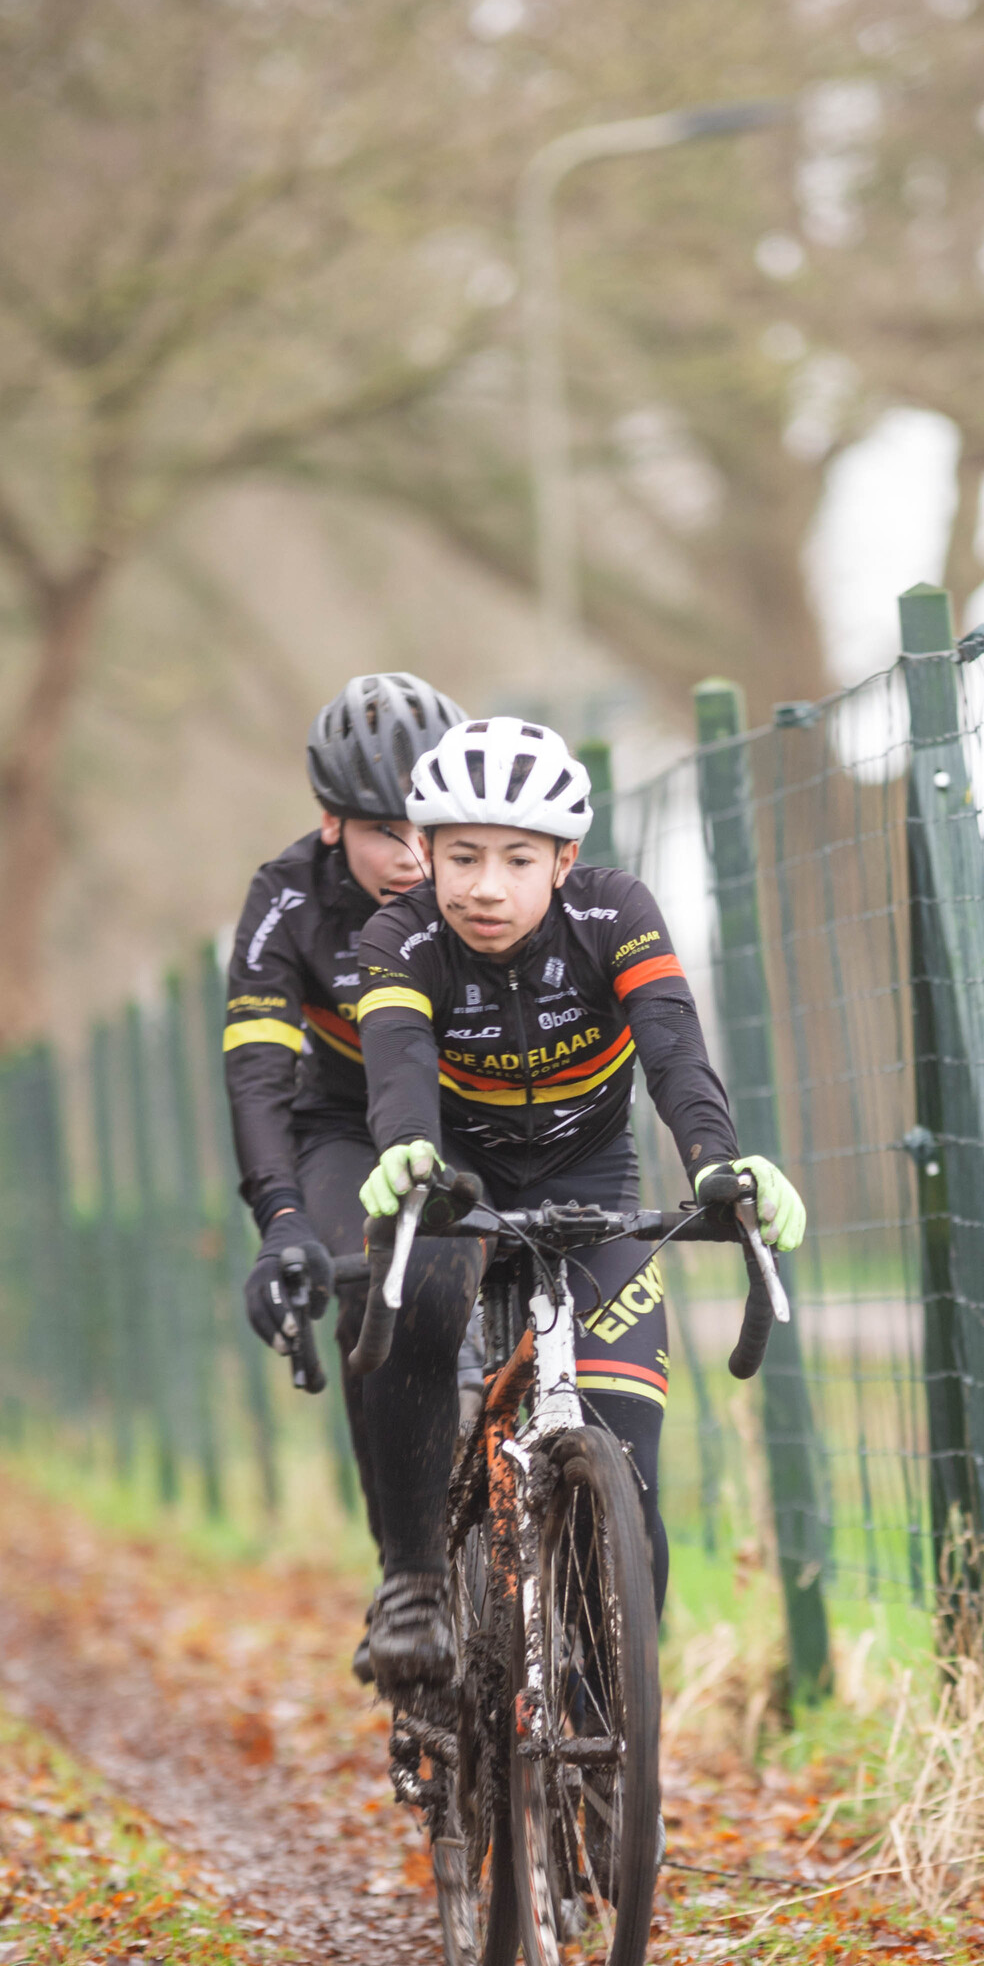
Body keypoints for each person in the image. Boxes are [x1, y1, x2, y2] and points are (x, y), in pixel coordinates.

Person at [351, 711, 805, 1699]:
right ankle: (418, 1580)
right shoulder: (397, 937)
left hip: (588, 1181)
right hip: (455, 1179)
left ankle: (607, 1747)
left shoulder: (615, 913)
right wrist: (406, 1159)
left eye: (515, 859)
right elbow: (397, 1070)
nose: (483, 885)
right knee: (416, 1309)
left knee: (629, 1482)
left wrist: (718, 1167)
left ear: (563, 862)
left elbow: (675, 1052)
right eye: (460, 855)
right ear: (422, 853)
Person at [223, 671, 476, 1681]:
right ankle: (410, 1577)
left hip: (485, 1117)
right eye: (384, 833)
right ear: (331, 823)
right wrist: (282, 1221)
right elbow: (257, 1077)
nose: (415, 859)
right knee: (380, 1283)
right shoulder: (283, 901)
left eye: (429, 828)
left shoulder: (489, 870)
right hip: (346, 1127)